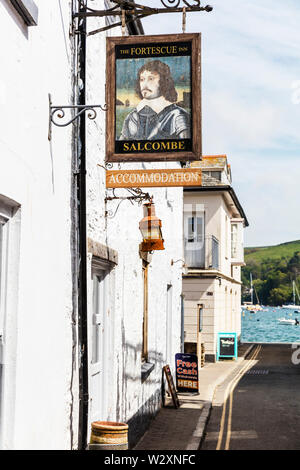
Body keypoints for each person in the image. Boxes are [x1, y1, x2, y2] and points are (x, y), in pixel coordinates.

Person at [119, 60, 190, 141]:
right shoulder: (132, 117)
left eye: (151, 79)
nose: (144, 84)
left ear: (164, 81)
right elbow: (119, 148)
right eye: (142, 79)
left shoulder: (177, 116)